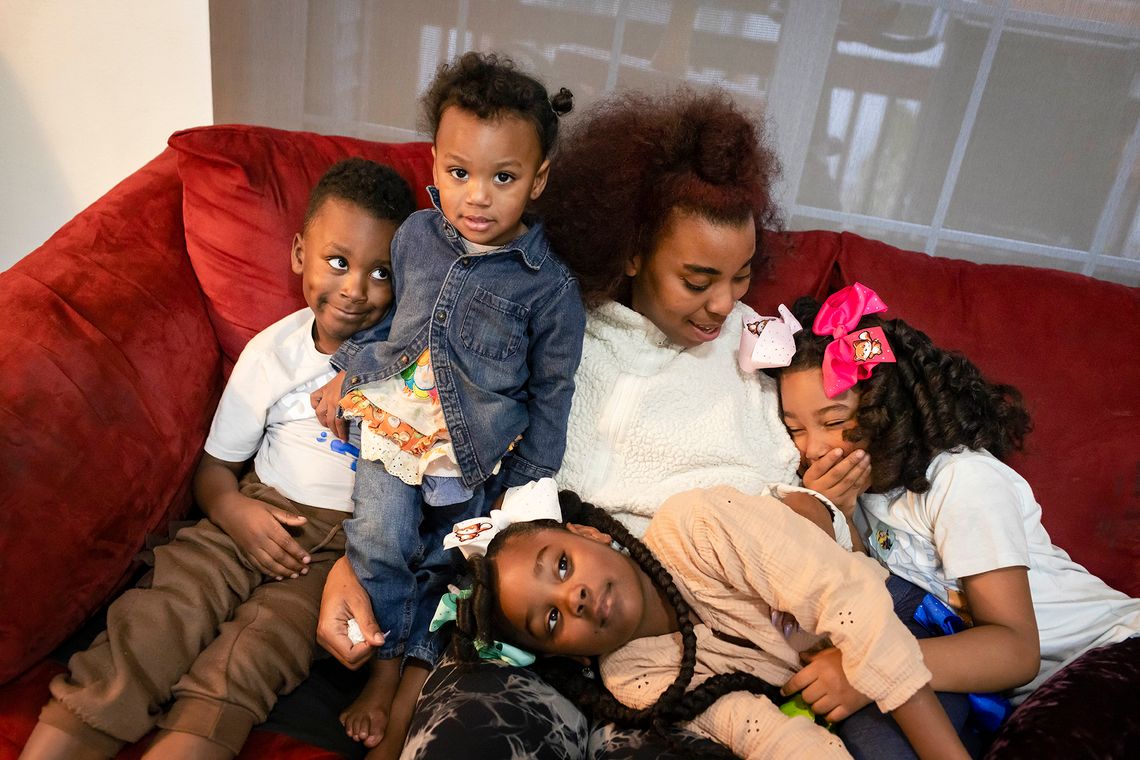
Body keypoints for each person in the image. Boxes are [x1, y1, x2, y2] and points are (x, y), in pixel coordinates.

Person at [317, 87, 847, 758]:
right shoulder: (553, 322)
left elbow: (807, 500)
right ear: (632, 252)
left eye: (741, 277)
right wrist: (357, 568)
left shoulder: (753, 351)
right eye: (698, 278)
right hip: (538, 638)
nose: (724, 304)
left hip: (694, 654)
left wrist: (823, 516)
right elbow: (440, 461)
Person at [19, 158, 414, 760]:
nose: (356, 289)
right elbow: (214, 470)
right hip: (253, 512)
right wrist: (233, 512)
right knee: (158, 617)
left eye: (380, 272)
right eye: (338, 261)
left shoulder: (406, 364)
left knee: (254, 655)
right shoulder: (272, 353)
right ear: (298, 254)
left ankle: (189, 741)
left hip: (338, 555)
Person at [309, 51, 587, 756]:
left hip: (476, 453)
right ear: (433, 163)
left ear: (538, 179)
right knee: (379, 541)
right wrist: (348, 370)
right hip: (394, 430)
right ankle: (379, 669)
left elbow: (553, 391)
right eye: (460, 173)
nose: (478, 197)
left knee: (449, 571)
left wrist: (531, 487)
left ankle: (411, 686)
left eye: (504, 177)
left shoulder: (549, 289)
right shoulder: (413, 238)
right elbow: (392, 327)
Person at [771, 284, 1140, 742]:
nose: (813, 448)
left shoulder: (962, 482)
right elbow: (872, 599)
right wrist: (841, 514)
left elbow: (1015, 648)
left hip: (1111, 652)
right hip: (1011, 695)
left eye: (832, 422)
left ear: (885, 409)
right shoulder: (863, 491)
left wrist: (868, 669)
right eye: (794, 429)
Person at [441, 486, 969, 760]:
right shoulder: (635, 680)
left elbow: (849, 601)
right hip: (833, 695)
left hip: (893, 620)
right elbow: (763, 736)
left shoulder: (697, 524)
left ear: (590, 534)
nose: (573, 596)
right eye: (551, 618)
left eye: (561, 564)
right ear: (566, 655)